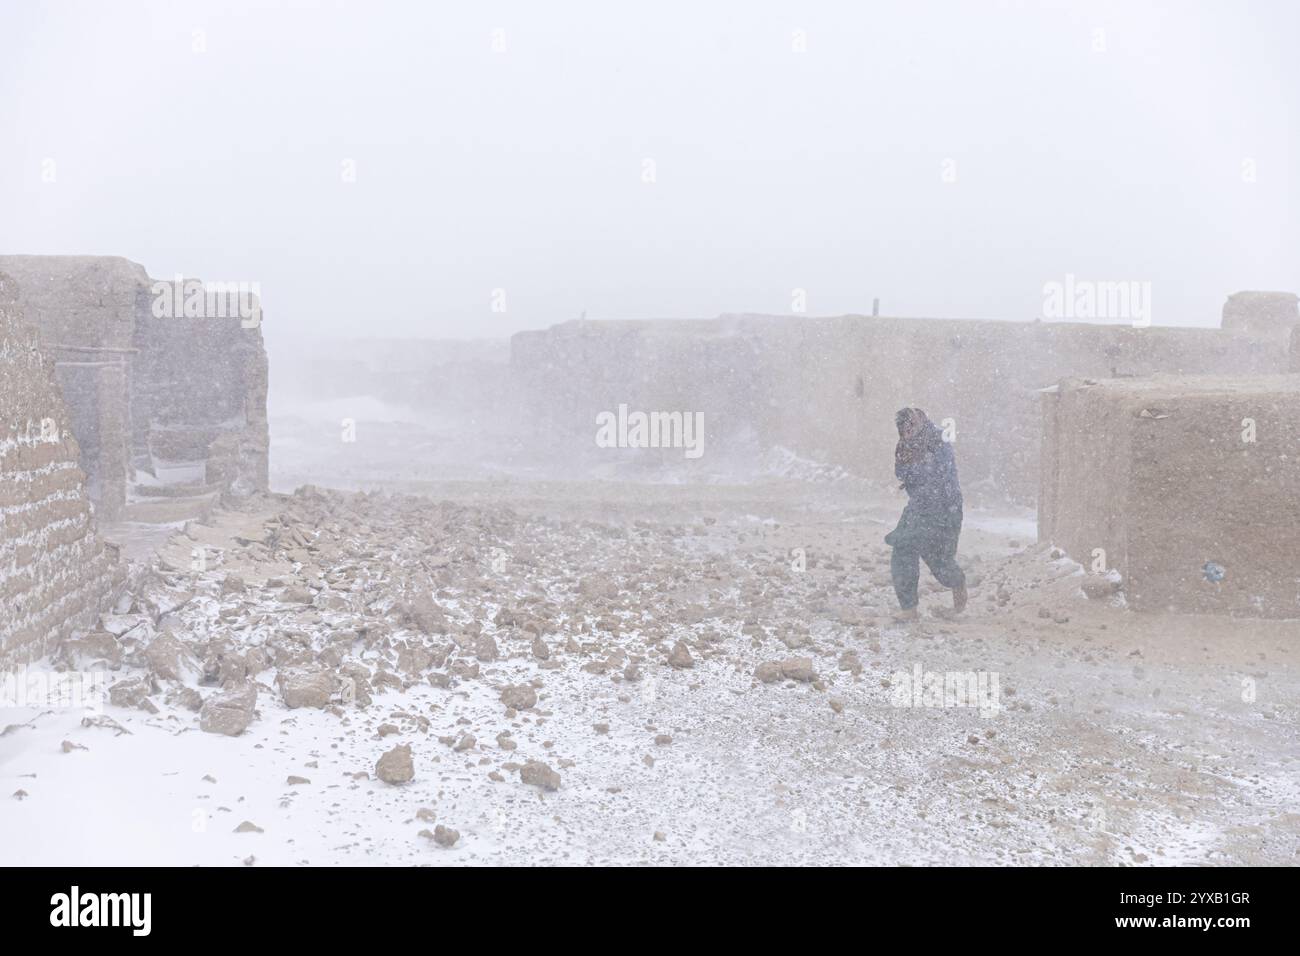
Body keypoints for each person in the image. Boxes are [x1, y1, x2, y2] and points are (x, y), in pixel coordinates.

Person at [884, 407, 967, 620]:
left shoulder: (938, 440)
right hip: (918, 508)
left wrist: (916, 474)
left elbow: (938, 473)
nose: (908, 431)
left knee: (940, 562)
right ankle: (909, 608)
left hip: (945, 509)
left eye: (911, 425)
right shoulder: (904, 446)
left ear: (920, 422)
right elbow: (901, 471)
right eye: (903, 428)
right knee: (903, 547)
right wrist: (913, 475)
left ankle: (957, 582)